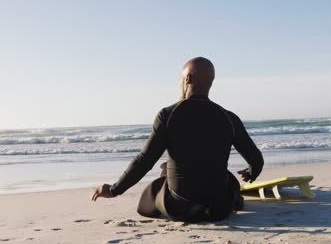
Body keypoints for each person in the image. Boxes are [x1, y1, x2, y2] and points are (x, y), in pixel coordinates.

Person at [91, 57, 264, 222]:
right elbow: (256, 160)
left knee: (162, 177)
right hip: (218, 209)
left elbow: (145, 160)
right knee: (226, 178)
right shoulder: (229, 118)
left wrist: (114, 190)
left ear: (187, 78)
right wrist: (251, 172)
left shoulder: (168, 115)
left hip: (180, 208)